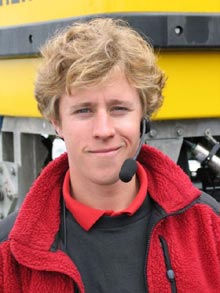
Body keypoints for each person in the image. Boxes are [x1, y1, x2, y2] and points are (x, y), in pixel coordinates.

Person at [1, 18, 220, 293]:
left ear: (143, 117)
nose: (103, 130)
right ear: (56, 121)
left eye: (119, 109)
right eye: (84, 110)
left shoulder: (207, 224)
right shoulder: (10, 251)